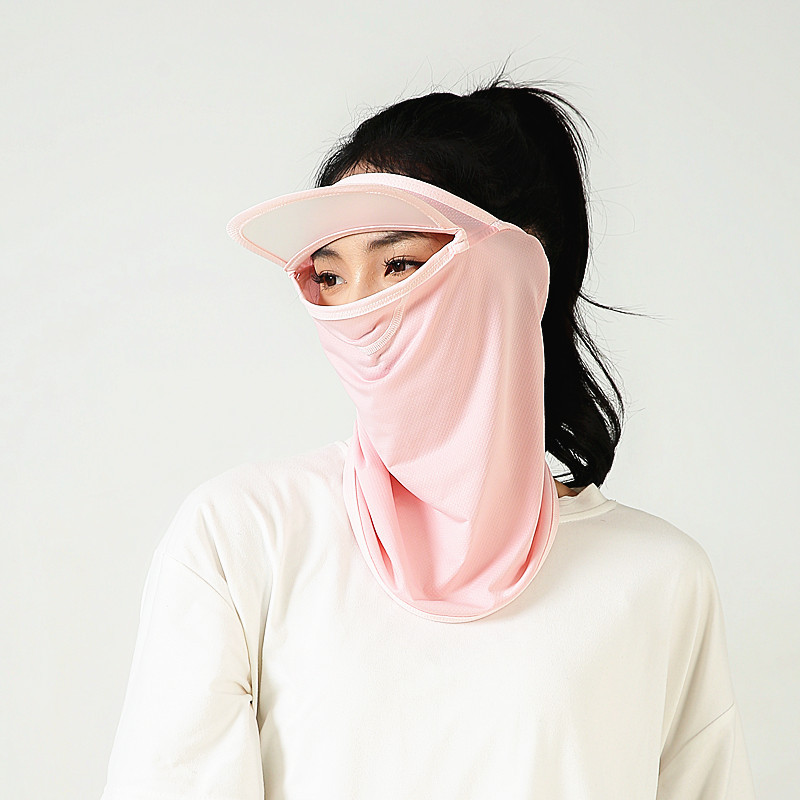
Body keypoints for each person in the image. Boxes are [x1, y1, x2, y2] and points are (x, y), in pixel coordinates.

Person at [100, 76, 757, 799]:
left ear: (519, 269)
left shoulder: (659, 577)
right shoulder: (244, 536)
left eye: (399, 264)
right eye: (330, 276)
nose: (356, 311)